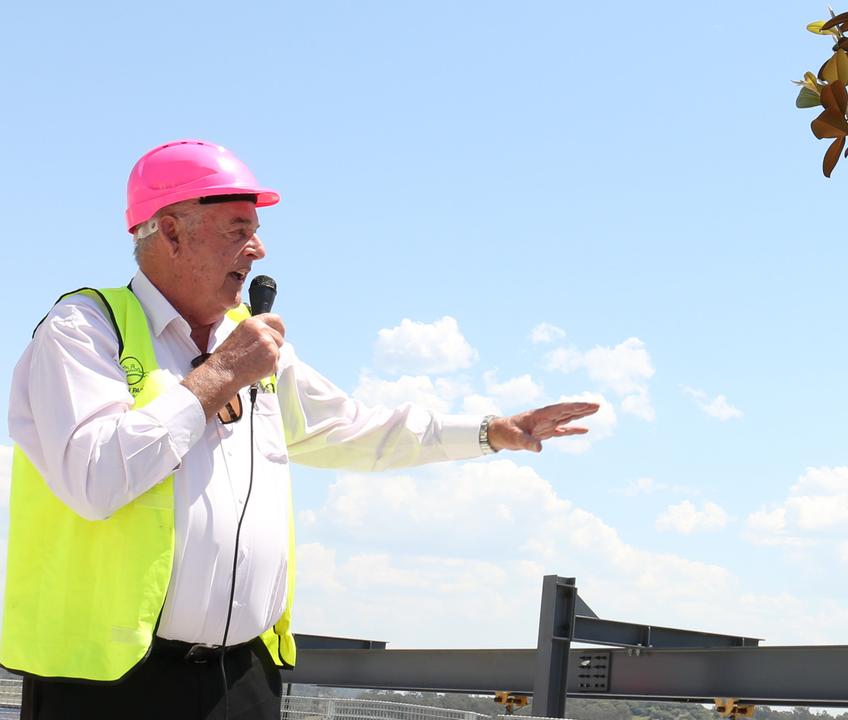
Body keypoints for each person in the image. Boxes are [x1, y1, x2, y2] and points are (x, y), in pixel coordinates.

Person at [4, 139, 598, 720]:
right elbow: (95, 478)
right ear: (173, 232)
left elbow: (353, 428)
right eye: (237, 228)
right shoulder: (83, 330)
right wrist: (223, 375)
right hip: (109, 684)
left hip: (243, 681)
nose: (257, 249)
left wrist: (493, 430)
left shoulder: (250, 344)